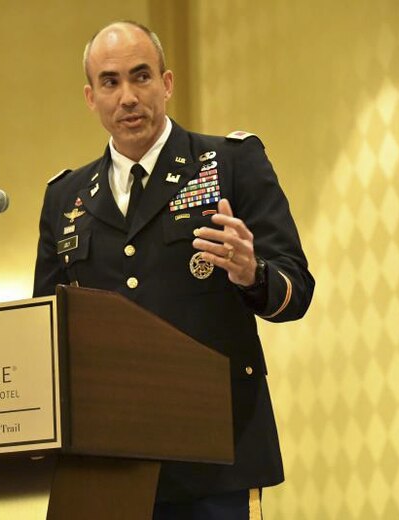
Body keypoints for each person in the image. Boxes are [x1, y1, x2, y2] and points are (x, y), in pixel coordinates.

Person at [32, 21, 314, 519]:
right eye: (110, 82)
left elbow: (297, 289)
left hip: (212, 455)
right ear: (90, 97)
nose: (127, 97)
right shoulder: (65, 198)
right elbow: (46, 328)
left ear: (167, 83)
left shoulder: (229, 163)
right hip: (105, 462)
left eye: (141, 77)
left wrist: (253, 273)